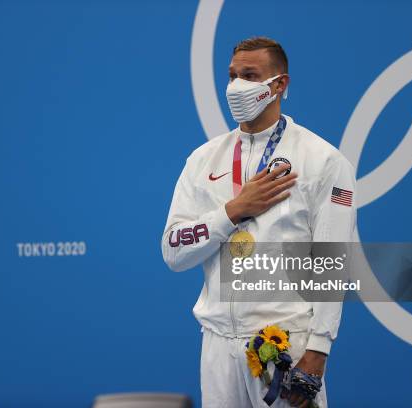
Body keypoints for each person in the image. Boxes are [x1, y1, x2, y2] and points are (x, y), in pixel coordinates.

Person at [161, 37, 357, 408]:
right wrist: (232, 211)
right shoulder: (203, 160)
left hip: (284, 344)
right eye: (232, 76)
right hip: (217, 346)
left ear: (279, 84)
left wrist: (318, 349)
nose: (237, 86)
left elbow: (333, 261)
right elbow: (173, 251)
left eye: (249, 75)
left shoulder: (323, 161)